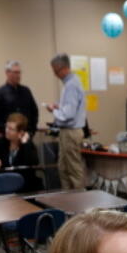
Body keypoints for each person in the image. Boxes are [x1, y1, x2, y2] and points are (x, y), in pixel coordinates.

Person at [45, 53, 87, 191]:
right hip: (67, 132)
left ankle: (82, 205)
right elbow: (70, 109)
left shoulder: (71, 85)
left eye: (54, 70)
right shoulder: (71, 83)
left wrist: (53, 110)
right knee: (63, 169)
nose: (54, 74)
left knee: (74, 170)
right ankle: (68, 201)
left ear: (62, 68)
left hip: (71, 132)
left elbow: (68, 115)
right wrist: (60, 107)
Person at [0, 111, 41, 191]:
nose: (7, 131)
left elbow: (33, 163)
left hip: (24, 188)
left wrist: (25, 144)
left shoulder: (28, 144)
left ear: (20, 132)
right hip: (3, 186)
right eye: (6, 127)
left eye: (11, 129)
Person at [0, 59, 39, 135]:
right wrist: (7, 132)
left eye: (19, 72)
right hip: (9, 136)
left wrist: (32, 131)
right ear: (7, 73)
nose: (18, 75)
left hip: (26, 134)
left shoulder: (26, 90)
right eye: (15, 72)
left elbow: (34, 111)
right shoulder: (0, 92)